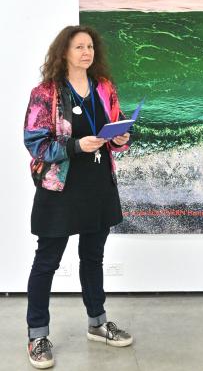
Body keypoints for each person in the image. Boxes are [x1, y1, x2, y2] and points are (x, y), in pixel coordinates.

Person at [23, 25, 134, 368]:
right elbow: (35, 142)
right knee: (47, 261)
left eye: (90, 47)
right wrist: (75, 146)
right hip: (61, 186)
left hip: (98, 183)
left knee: (93, 256)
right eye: (78, 47)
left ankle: (97, 323)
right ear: (64, 53)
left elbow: (119, 127)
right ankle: (37, 335)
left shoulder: (104, 88)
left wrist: (121, 138)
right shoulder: (45, 93)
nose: (86, 52)